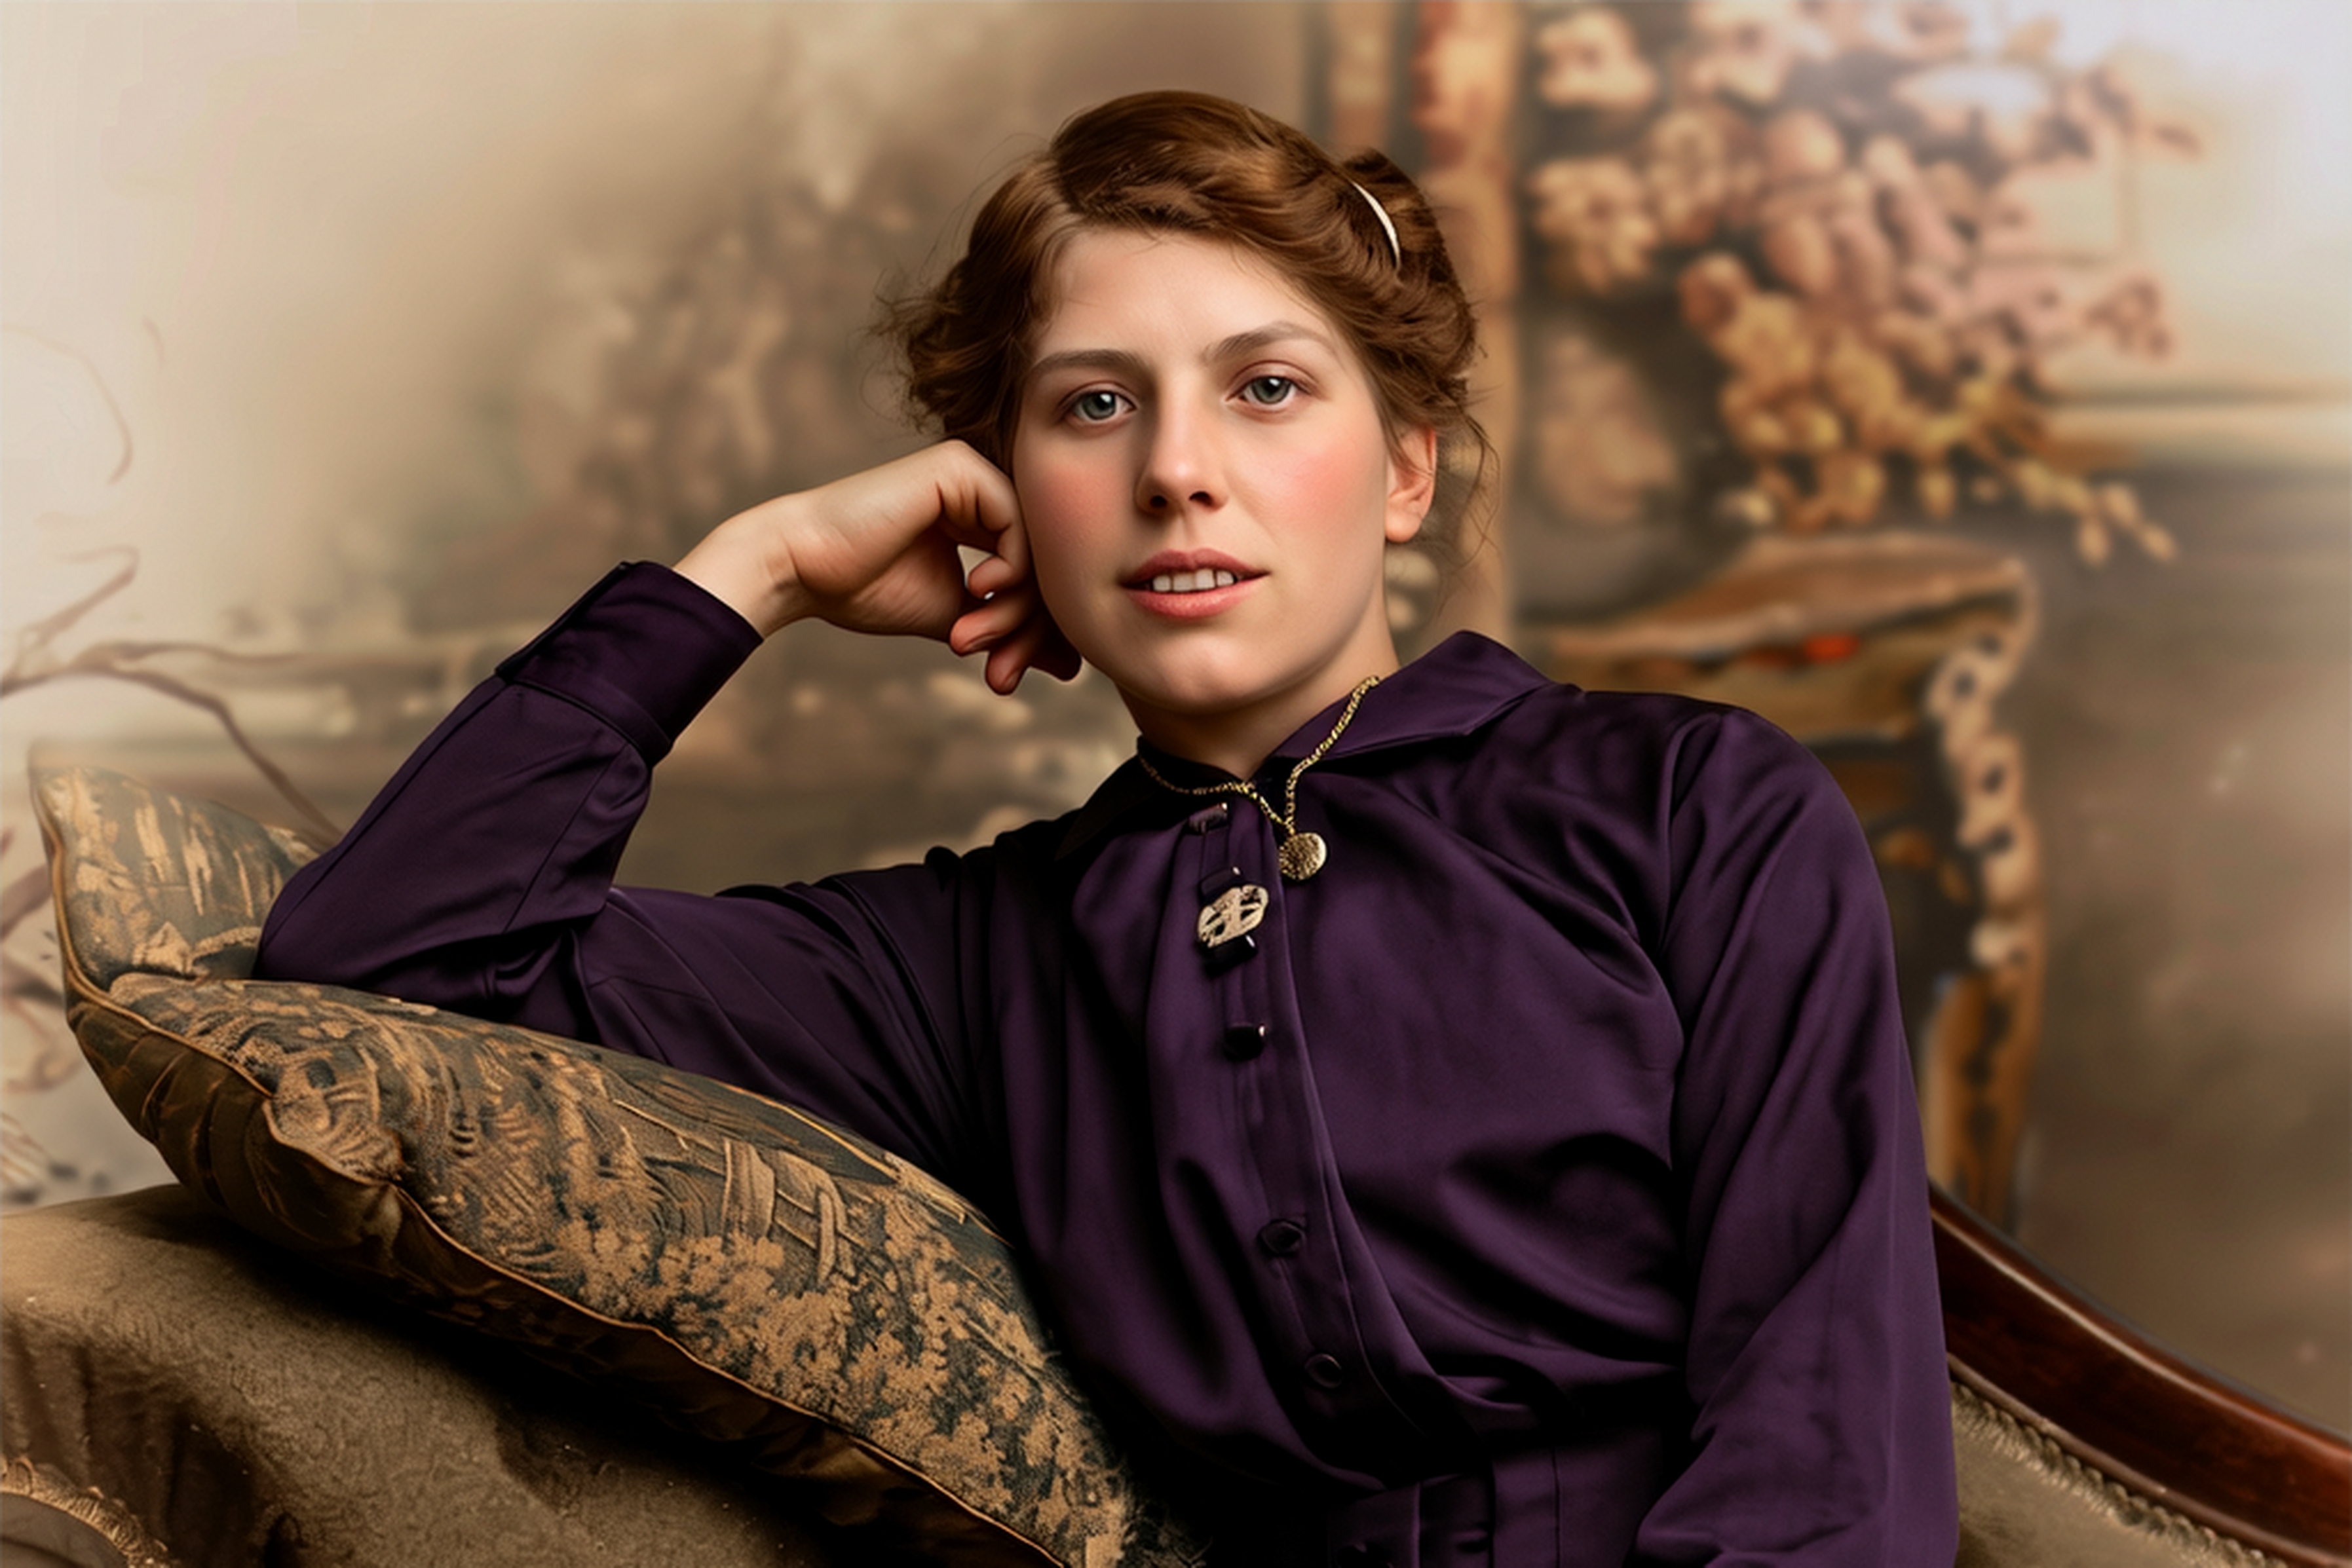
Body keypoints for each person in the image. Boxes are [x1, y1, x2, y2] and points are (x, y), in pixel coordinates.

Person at [256, 90, 1957, 1565]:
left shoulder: (1691, 806)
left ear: (1407, 470)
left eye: (1267, 387)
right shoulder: (970, 961)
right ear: (1005, 496)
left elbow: (1826, 1452)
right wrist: (752, 572)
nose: (1175, 472)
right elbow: (380, 958)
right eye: (1093, 405)